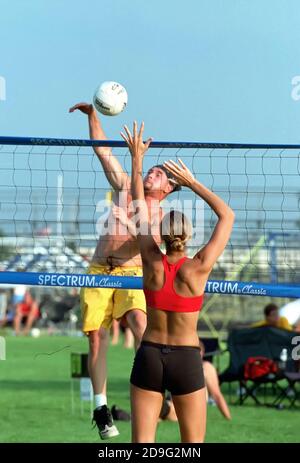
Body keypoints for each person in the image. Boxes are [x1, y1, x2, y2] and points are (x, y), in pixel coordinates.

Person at [69, 103, 180, 439]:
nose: (152, 173)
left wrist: (138, 160)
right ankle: (101, 410)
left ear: (168, 189)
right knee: (96, 338)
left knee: (140, 323)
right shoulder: (122, 187)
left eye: (159, 174)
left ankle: (152, 389)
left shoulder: (162, 219)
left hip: (133, 274)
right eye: (151, 169)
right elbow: (102, 149)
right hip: (99, 270)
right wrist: (93, 116)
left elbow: (144, 239)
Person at [121, 121, 234, 443]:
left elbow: (138, 204)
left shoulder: (151, 260)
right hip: (186, 358)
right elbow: (227, 216)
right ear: (188, 237)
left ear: (163, 235)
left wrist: (136, 157)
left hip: (149, 355)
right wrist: (192, 182)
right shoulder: (198, 268)